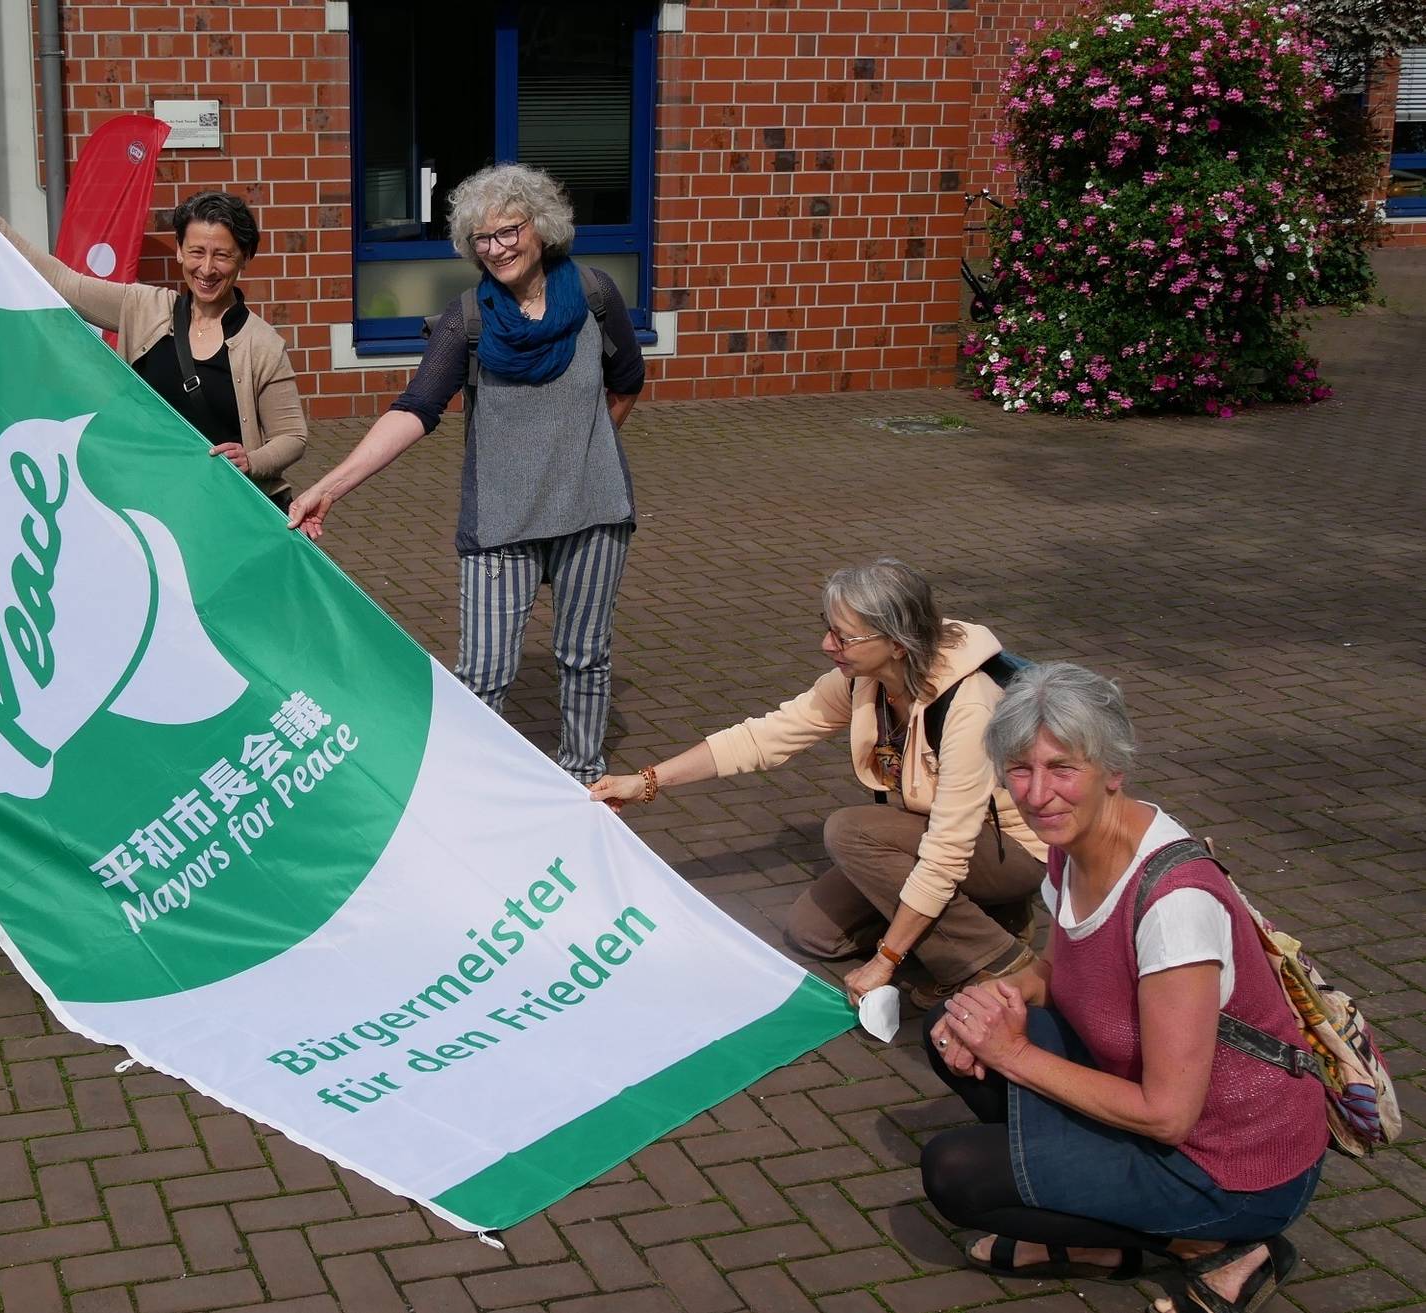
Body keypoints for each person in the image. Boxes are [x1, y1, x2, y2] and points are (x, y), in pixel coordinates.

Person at [919, 662, 1325, 1313]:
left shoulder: (1173, 905)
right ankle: (1093, 1226)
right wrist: (996, 1001)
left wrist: (1010, 1051)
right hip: (1149, 1096)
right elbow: (1058, 968)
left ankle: (1227, 1246)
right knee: (950, 1023)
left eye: (1062, 768)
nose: (1038, 792)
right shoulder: (1072, 839)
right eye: (1019, 768)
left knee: (956, 1174)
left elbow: (1169, 1113)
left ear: (1113, 769)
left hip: (1232, 1162)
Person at [287, 163, 645, 782]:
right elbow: (415, 410)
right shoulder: (467, 320)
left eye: (508, 231)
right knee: (482, 673)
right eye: (481, 239)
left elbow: (627, 383)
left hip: (594, 513)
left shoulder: (594, 295)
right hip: (499, 521)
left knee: (585, 657)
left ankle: (585, 777)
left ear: (542, 228)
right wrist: (328, 488)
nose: (496, 249)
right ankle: (470, 786)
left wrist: (585, 451)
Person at [591, 559, 1046, 1005]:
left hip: (1011, 850)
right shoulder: (865, 680)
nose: (827, 644)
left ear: (897, 643)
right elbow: (763, 737)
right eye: (827, 626)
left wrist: (886, 960)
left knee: (853, 831)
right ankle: (983, 921)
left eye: (844, 637)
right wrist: (648, 781)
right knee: (813, 933)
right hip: (935, 836)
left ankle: (998, 960)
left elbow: (947, 852)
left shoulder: (969, 707)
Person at [0, 182, 307, 508]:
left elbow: (292, 436)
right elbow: (65, 283)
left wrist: (252, 460)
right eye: (196, 251)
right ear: (180, 252)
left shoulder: (263, 345)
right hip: (152, 502)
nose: (207, 268)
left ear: (244, 258)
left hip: (227, 508)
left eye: (223, 255)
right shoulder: (143, 307)